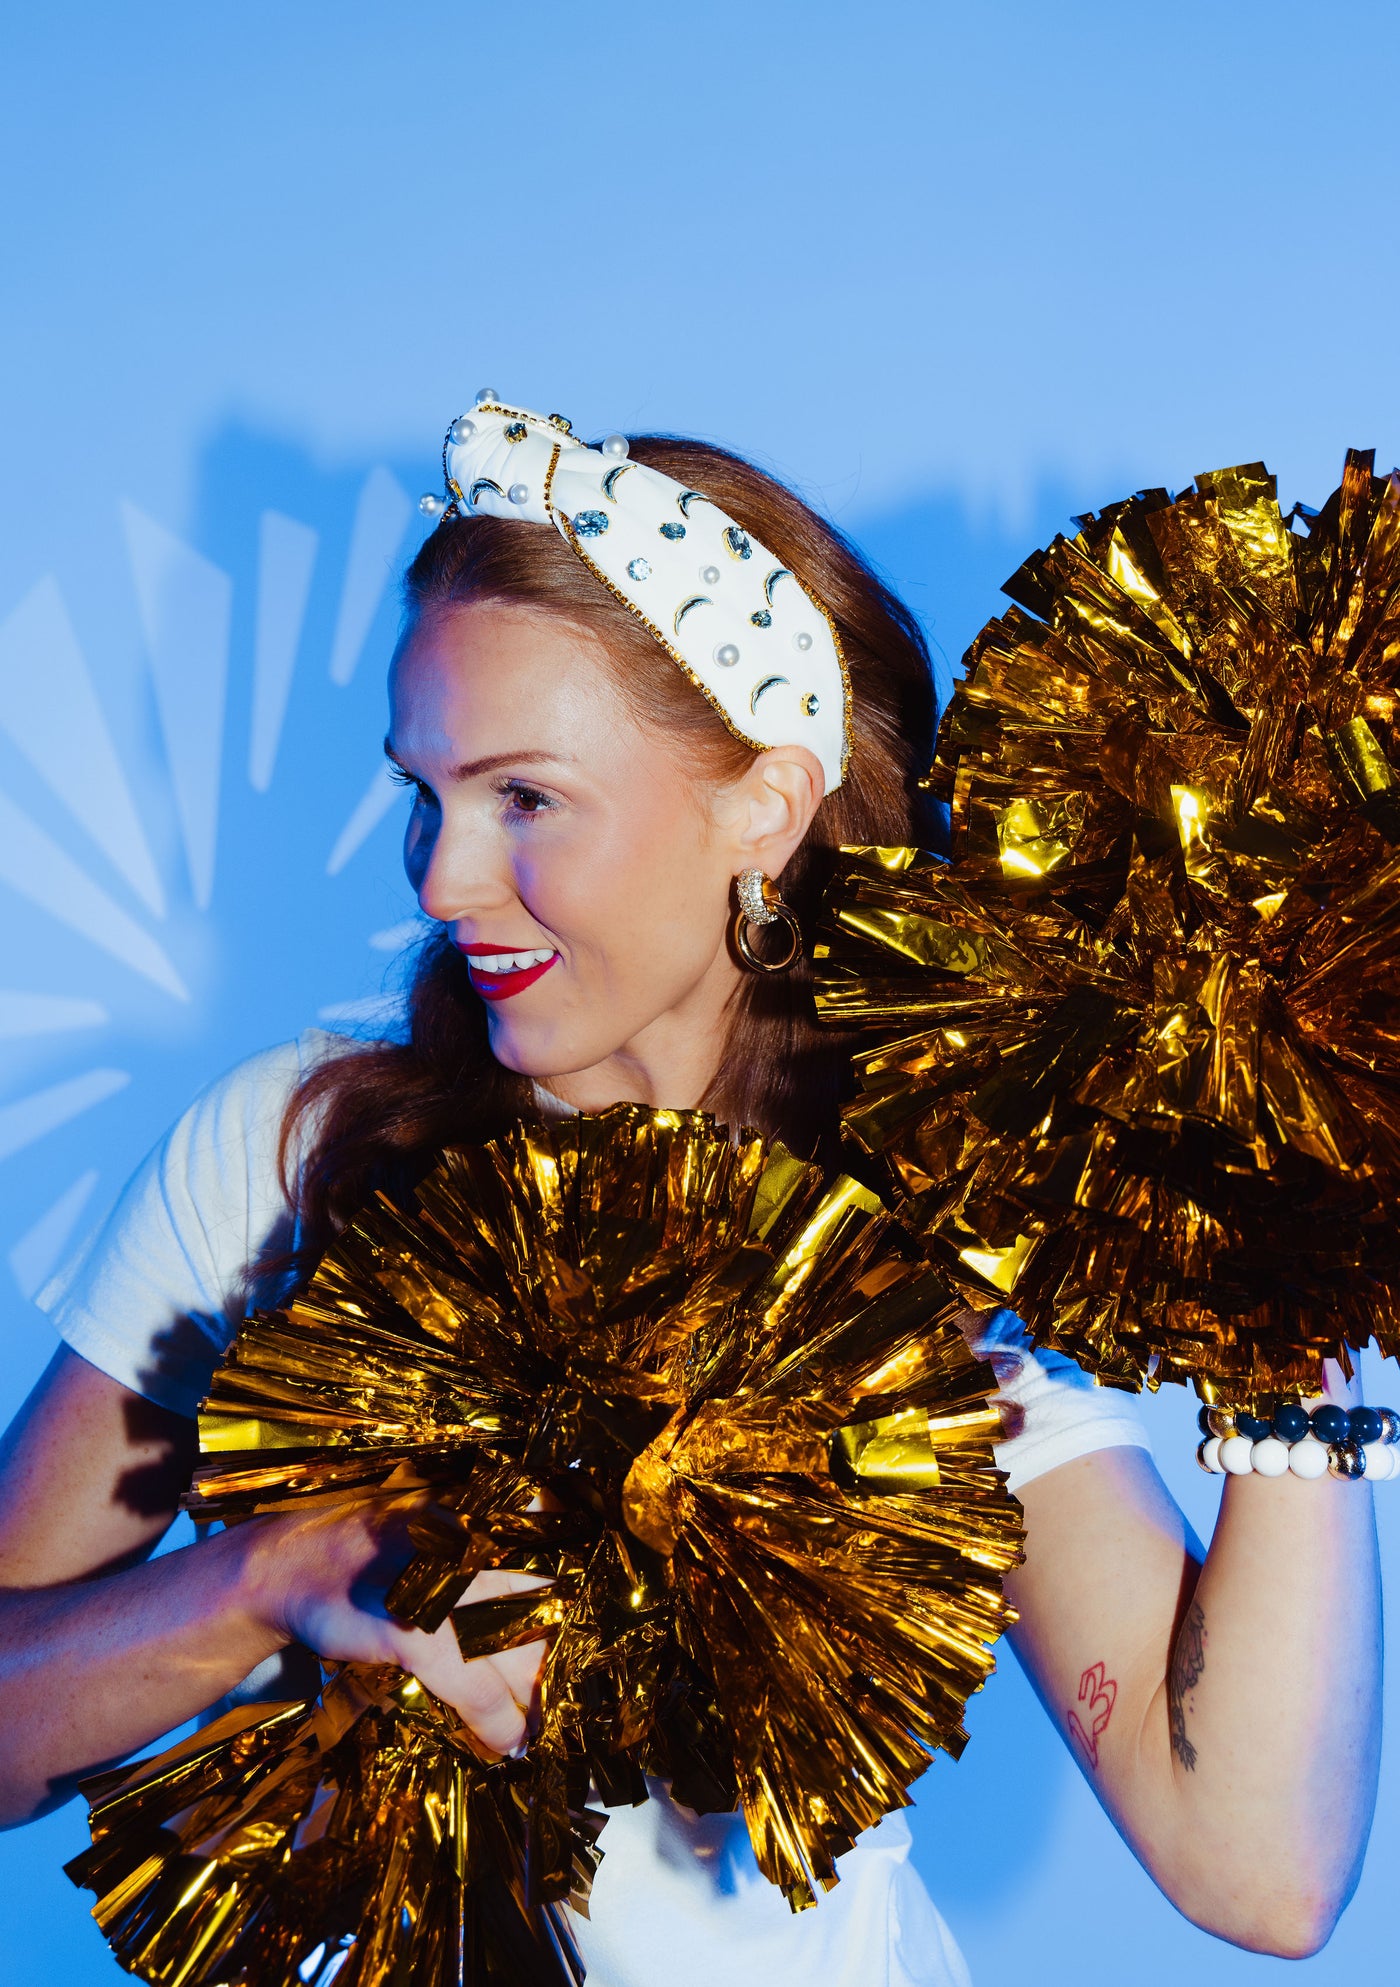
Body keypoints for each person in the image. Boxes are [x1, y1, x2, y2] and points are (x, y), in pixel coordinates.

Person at [0, 400, 1382, 1987]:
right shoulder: (288, 1158)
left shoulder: (921, 1259)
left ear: (764, 807)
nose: (440, 879)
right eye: (426, 795)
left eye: (524, 799)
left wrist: (1294, 1243)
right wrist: (280, 1575)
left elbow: (1259, 1872)